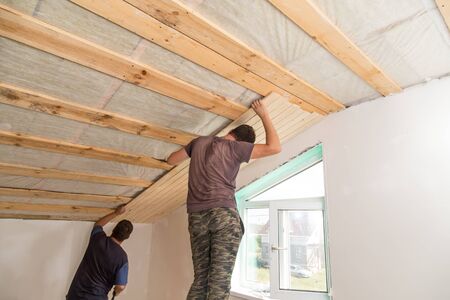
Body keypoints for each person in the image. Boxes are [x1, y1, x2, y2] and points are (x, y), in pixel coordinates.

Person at [167, 99, 281, 299]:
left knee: (200, 279)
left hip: (196, 218)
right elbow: (275, 147)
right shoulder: (236, 148)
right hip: (223, 217)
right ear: (244, 143)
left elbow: (171, 159)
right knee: (218, 283)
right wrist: (264, 114)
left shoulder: (199, 142)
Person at [67, 206, 133, 300]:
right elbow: (121, 286)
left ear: (114, 229)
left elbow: (98, 224)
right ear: (126, 237)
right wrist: (116, 292)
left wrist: (116, 213)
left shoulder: (98, 238)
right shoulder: (122, 258)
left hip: (75, 294)